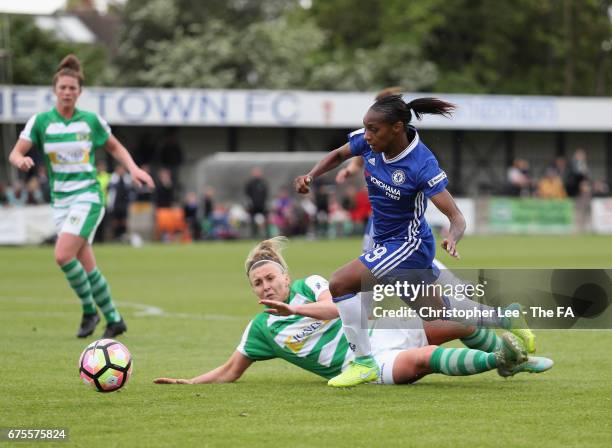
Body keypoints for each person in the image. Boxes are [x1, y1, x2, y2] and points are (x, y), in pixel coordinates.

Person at [295, 95, 534, 387]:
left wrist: (453, 237)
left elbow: (457, 217)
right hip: (386, 242)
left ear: (397, 128)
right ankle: (506, 318)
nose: (367, 136)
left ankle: (364, 363)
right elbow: (338, 154)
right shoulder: (369, 141)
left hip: (407, 245)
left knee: (340, 283)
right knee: (437, 312)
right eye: (365, 128)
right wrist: (311, 175)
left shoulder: (421, 164)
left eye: (374, 130)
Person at [154, 238, 552, 386]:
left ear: (285, 275)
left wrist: (296, 306)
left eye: (271, 277)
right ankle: (502, 358)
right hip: (362, 365)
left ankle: (515, 359)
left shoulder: (309, 287)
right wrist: (190, 382)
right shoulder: (260, 330)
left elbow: (338, 309)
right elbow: (229, 371)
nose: (266, 286)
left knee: (458, 321)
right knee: (423, 360)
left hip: (376, 334)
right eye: (258, 284)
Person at [8, 54, 154, 338]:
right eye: (62, 87)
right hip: (60, 201)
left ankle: (89, 310)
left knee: (63, 255)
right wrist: (20, 161)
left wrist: (133, 169)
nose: (67, 92)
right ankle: (113, 318)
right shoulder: (40, 122)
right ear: (55, 90)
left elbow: (114, 147)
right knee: (85, 263)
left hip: (87, 196)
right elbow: (16, 152)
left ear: (79, 92)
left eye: (72, 88)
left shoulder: (90, 121)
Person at [244, 167, 269, 238]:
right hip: (253, 207)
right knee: (252, 221)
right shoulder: (250, 183)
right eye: (255, 172)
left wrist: (265, 204)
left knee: (264, 221)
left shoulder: (263, 183)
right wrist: (249, 205)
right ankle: (253, 235)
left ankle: (265, 235)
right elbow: (247, 195)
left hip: (262, 206)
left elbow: (266, 194)